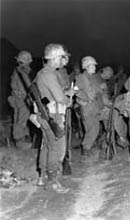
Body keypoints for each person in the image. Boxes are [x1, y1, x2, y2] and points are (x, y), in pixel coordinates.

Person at [32, 43, 74, 193]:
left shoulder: (41, 73)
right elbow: (59, 97)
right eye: (61, 57)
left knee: (47, 146)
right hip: (53, 116)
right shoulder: (50, 74)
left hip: (44, 115)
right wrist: (68, 100)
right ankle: (52, 181)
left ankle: (42, 177)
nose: (62, 60)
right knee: (56, 148)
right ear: (55, 58)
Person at [75, 56, 105, 158]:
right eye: (92, 66)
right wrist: (86, 98)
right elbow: (79, 92)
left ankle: (88, 148)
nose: (94, 67)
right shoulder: (81, 78)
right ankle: (86, 150)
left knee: (94, 129)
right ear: (86, 66)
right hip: (87, 107)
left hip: (94, 106)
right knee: (91, 129)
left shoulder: (94, 77)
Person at [8, 51, 33, 149]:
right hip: (21, 99)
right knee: (20, 119)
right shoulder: (21, 72)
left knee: (22, 118)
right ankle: (20, 141)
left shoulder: (20, 71)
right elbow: (27, 87)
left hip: (21, 99)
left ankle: (23, 139)